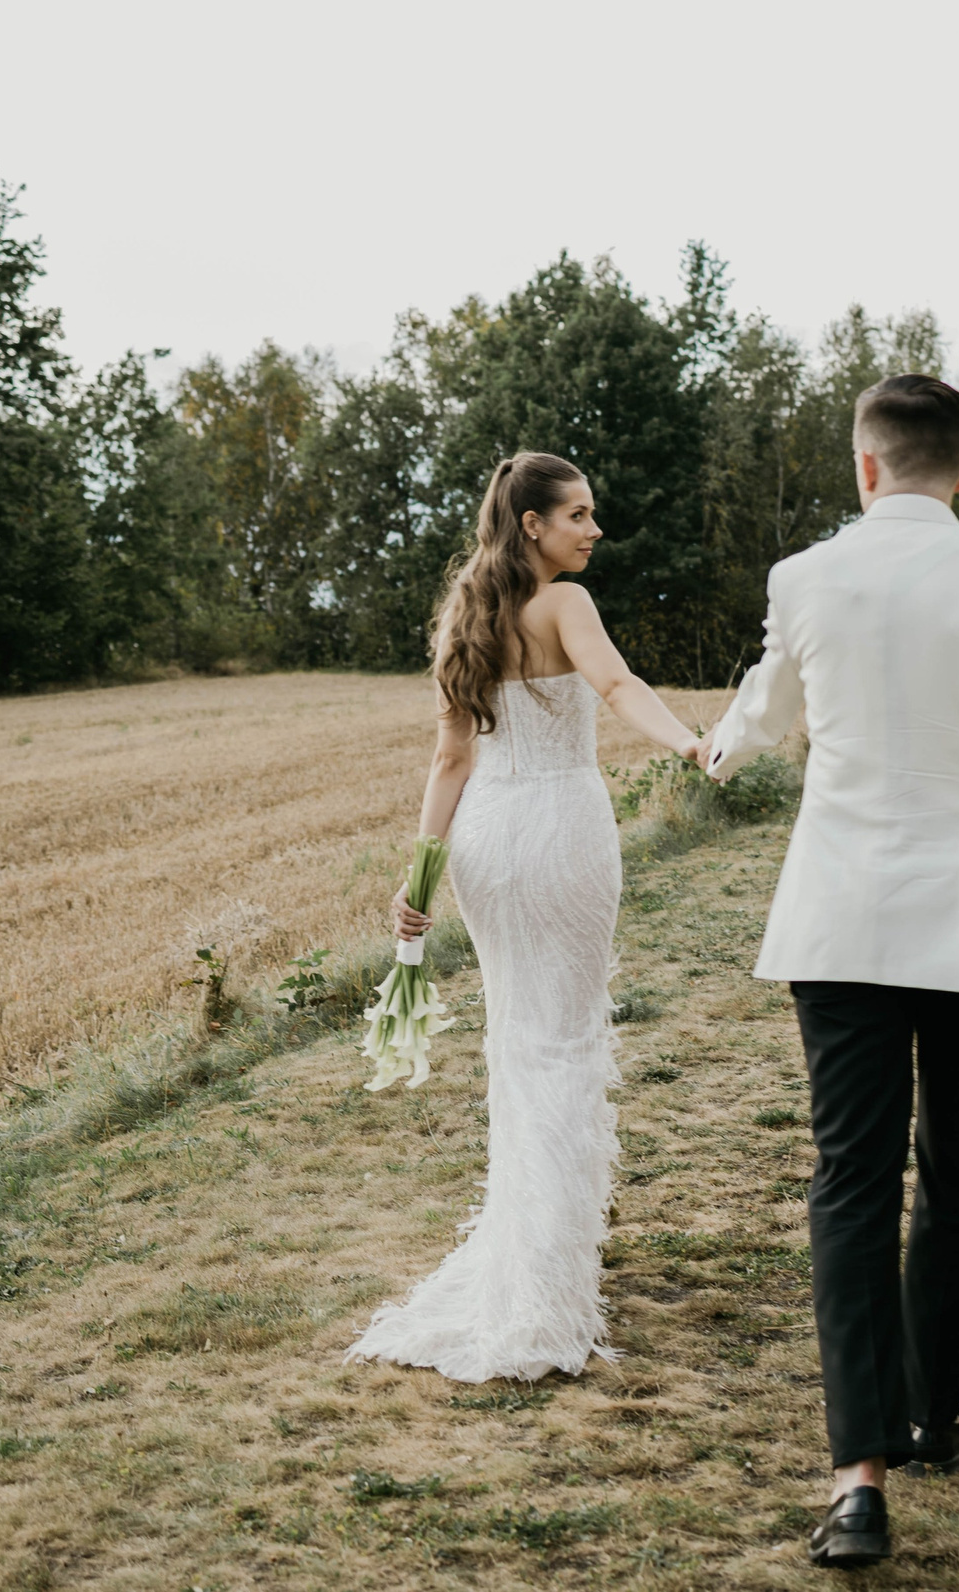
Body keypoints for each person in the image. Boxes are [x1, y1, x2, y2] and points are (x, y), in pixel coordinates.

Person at [702, 375, 959, 1570]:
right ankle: (932, 1412)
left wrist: (722, 741)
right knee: (952, 1169)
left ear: (863, 467)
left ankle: (860, 1476)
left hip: (841, 919)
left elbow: (772, 695)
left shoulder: (804, 578)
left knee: (848, 1178)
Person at [346, 451, 705, 1382]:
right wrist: (689, 744)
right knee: (564, 1043)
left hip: (485, 844)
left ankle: (532, 1260)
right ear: (533, 525)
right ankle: (546, 1291)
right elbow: (617, 688)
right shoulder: (566, 606)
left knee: (520, 1042)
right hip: (559, 832)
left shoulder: (469, 614)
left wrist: (420, 876)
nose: (594, 530)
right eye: (579, 514)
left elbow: (449, 762)